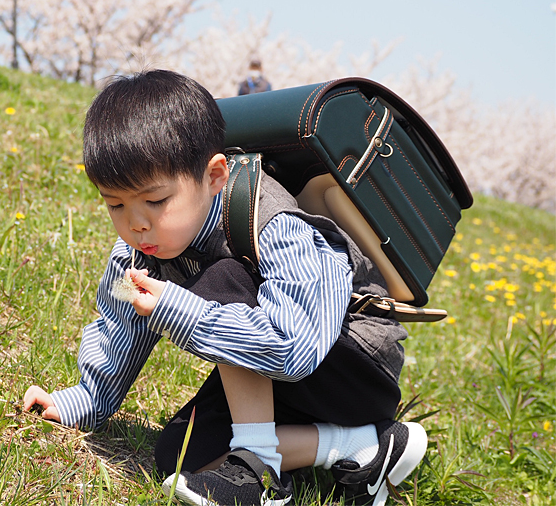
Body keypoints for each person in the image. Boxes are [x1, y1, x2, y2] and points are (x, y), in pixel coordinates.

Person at [23, 70, 428, 506]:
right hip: (275, 374)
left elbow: (295, 351)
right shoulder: (139, 250)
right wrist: (84, 400)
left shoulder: (271, 223)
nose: (136, 223)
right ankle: (364, 448)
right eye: (115, 204)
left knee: (216, 279)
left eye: (155, 201)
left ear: (214, 175)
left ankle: (260, 473)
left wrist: (179, 309)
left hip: (350, 366)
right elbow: (119, 326)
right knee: (178, 455)